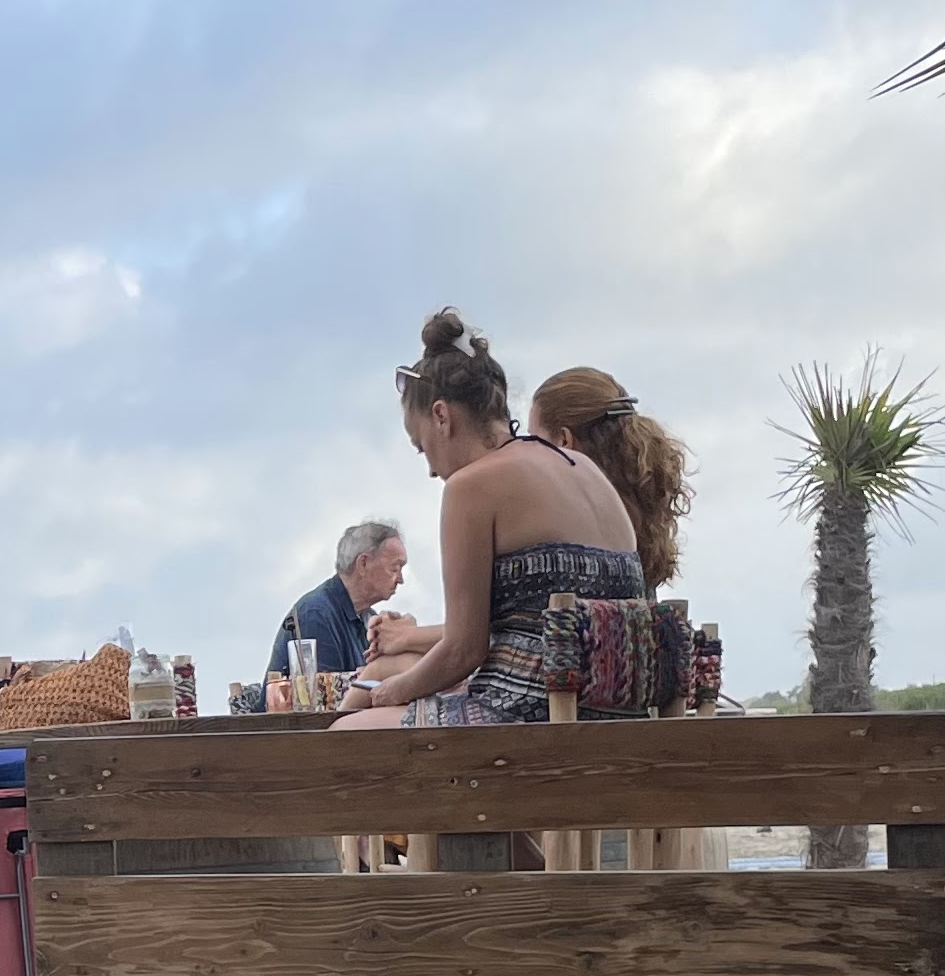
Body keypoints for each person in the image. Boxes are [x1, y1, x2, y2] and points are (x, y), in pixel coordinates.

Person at [336, 311, 645, 727]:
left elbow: (464, 651)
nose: (431, 470)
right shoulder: (581, 466)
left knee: (346, 729)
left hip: (535, 711)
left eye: (422, 446)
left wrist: (391, 693)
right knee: (385, 685)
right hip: (618, 710)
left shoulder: (471, 486)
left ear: (442, 416)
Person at [525, 366, 693, 592]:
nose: (528, 451)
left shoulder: (559, 520)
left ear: (564, 440)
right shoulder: (637, 509)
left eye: (534, 439)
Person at [268, 518, 408, 695]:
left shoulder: (367, 617)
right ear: (363, 563)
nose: (401, 579)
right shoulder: (316, 615)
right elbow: (327, 697)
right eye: (395, 568)